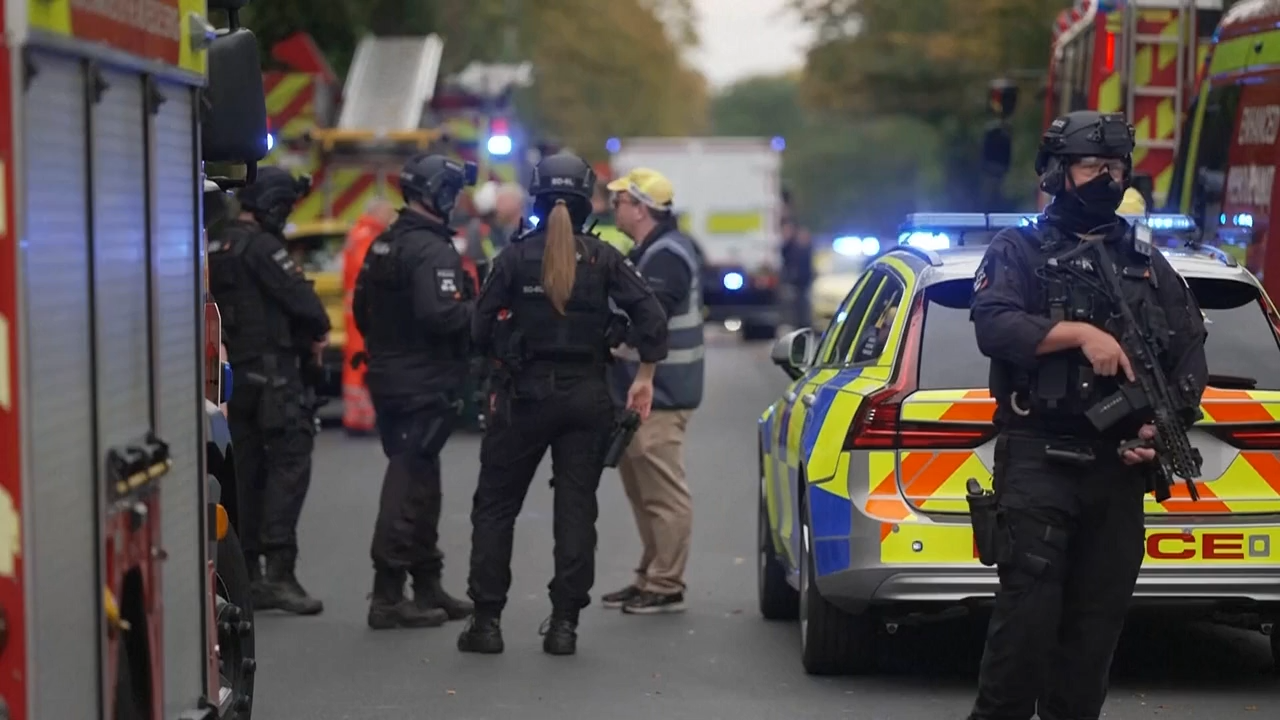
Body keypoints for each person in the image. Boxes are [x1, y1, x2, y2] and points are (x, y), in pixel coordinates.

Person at [967, 110, 1208, 719]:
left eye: (1115, 166)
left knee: (1092, 643)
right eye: (1091, 165)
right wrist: (1075, 333)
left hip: (1116, 474)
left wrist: (1161, 422)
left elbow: (1188, 350)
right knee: (1025, 632)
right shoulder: (1018, 249)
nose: (1106, 177)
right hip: (1040, 464)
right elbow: (994, 325)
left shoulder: (1148, 262)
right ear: (1057, 172)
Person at [457, 153, 668, 656]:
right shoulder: (604, 258)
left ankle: (486, 623)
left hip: (522, 398)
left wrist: (505, 348)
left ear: (537, 196)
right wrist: (643, 375)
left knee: (496, 509)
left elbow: (478, 330)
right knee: (576, 510)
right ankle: (564, 626)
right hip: (586, 397)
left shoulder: (512, 258)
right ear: (583, 200)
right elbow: (653, 320)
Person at [352, 154, 478, 630]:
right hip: (422, 380)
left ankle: (426, 584)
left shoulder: (385, 242)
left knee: (424, 482)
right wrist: (481, 309)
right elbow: (442, 315)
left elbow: (363, 309)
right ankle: (387, 596)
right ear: (440, 195)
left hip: (391, 375)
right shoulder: (432, 250)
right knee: (408, 485)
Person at [208, 166, 331, 615]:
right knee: (289, 469)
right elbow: (309, 310)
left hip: (235, 376)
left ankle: (249, 572)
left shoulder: (218, 245)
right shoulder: (263, 248)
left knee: (248, 474)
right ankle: (279, 573)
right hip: (277, 380)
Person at [601, 167, 705, 615]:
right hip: (643, 392)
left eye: (620, 201)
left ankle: (666, 583)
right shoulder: (650, 250)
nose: (614, 208)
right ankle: (651, 572)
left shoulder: (665, 256)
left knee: (662, 492)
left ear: (640, 208)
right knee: (642, 489)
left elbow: (651, 321)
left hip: (659, 393)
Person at [342, 199, 398, 435]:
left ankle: (361, 415)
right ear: (377, 212)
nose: (390, 217)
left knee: (359, 361)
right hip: (364, 310)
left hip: (359, 309)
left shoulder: (361, 232)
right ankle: (359, 418)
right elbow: (373, 271)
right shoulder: (367, 235)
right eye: (387, 212)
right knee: (359, 363)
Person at [779, 218, 813, 328]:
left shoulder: (800, 248)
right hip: (794, 283)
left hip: (802, 283)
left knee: (801, 306)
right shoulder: (787, 247)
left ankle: (802, 325)